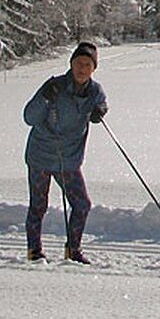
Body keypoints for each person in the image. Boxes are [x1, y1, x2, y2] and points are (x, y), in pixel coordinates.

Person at [23, 41, 108, 263]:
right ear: (70, 65)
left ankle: (73, 250)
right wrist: (44, 98)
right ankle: (34, 251)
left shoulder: (94, 91)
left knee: (82, 205)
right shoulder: (54, 86)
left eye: (87, 65)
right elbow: (29, 117)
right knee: (38, 205)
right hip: (41, 155)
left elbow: (102, 103)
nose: (82, 69)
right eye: (78, 63)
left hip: (68, 160)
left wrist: (101, 111)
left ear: (93, 69)